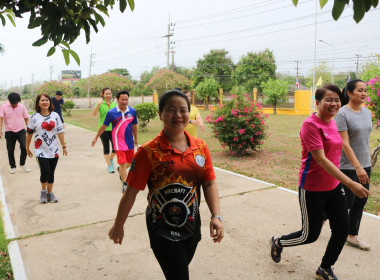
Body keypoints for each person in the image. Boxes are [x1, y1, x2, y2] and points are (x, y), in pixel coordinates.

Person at [108, 89, 224, 280]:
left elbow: (209, 183)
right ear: (160, 114)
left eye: (183, 110)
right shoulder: (148, 152)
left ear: (189, 112)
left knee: (177, 272)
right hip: (161, 229)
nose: (178, 115)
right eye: (171, 110)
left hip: (191, 225)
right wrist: (118, 225)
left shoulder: (200, 147)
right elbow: (131, 192)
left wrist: (216, 216)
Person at [269, 84, 370, 280]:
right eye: (329, 100)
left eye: (337, 100)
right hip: (312, 188)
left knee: (341, 229)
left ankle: (325, 268)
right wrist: (351, 183)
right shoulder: (310, 125)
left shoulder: (333, 122)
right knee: (310, 235)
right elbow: (321, 159)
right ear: (318, 102)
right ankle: (278, 242)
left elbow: (339, 150)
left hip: (334, 186)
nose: (334, 104)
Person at [335, 79, 372, 251]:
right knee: (347, 203)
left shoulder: (366, 112)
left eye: (365, 90)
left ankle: (352, 236)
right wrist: (357, 167)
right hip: (348, 166)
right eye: (360, 90)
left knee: (361, 200)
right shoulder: (342, 114)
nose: (364, 93)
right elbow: (345, 144)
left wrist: (365, 163)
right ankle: (324, 215)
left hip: (365, 163)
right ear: (349, 93)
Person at [91, 90, 138, 192]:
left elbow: (134, 126)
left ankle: (121, 171)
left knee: (130, 163)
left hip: (129, 141)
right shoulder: (111, 113)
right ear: (117, 100)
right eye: (122, 99)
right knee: (122, 163)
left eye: (126, 99)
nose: (124, 102)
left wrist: (136, 139)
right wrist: (96, 137)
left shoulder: (132, 111)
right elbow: (104, 126)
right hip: (118, 142)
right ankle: (125, 184)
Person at [26, 94, 67, 203]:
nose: (45, 102)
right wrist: (27, 147)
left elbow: (60, 132)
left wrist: (64, 146)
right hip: (40, 150)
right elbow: (29, 133)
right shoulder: (34, 117)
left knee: (51, 172)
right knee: (45, 171)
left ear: (50, 102)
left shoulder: (55, 115)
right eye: (42, 100)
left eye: (47, 100)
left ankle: (50, 194)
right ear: (38, 103)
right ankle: (43, 192)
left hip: (54, 150)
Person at [0, 92, 31, 174]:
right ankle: (13, 166)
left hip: (21, 130)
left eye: (16, 103)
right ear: (9, 101)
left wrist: (29, 129)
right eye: (13, 103)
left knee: (24, 147)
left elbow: (26, 119)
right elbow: (1, 119)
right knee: (10, 150)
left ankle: (22, 163)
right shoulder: (3, 107)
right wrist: (0, 130)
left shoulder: (22, 107)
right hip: (9, 131)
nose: (15, 105)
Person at [92, 87, 117, 173]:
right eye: (106, 93)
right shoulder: (100, 104)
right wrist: (98, 105)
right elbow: (94, 114)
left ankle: (110, 159)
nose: (108, 95)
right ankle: (109, 166)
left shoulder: (114, 104)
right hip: (103, 129)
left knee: (115, 148)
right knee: (106, 148)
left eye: (110, 93)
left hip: (114, 129)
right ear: (102, 94)